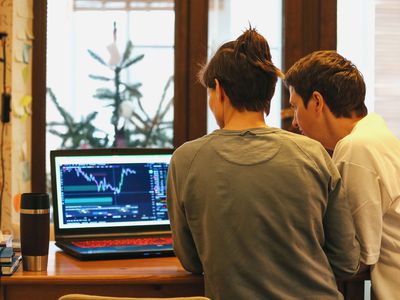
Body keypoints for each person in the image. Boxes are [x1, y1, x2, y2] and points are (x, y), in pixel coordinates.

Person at [167, 28, 360, 300]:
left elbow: (192, 260)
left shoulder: (186, 160)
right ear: (268, 95)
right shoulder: (313, 154)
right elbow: (346, 261)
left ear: (219, 91)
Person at [285, 50, 400, 300]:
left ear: (316, 102)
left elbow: (357, 256)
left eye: (295, 107)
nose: (294, 122)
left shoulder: (357, 148)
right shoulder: (373, 136)